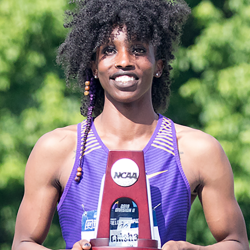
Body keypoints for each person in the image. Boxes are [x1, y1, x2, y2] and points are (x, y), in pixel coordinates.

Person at [12, 0, 249, 249]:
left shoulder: (198, 149)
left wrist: (190, 249)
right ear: (93, 67)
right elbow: (22, 243)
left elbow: (236, 242)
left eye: (138, 49)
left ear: (159, 66)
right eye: (108, 50)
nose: (124, 60)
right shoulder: (56, 149)